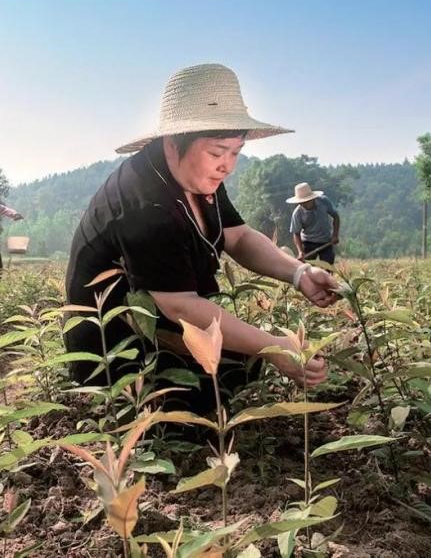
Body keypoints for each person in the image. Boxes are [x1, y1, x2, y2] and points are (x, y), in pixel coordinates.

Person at [64, 64, 340, 418]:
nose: (227, 166)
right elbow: (179, 305)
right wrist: (276, 348)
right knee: (206, 390)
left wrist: (299, 273)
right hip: (116, 346)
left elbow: (238, 237)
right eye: (217, 152)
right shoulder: (145, 203)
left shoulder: (198, 178)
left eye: (235, 152)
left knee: (238, 362)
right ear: (172, 144)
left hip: (168, 320)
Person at [287, 182, 340, 264]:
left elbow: (336, 217)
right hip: (308, 243)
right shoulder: (297, 213)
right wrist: (300, 251)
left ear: (312, 198)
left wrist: (335, 235)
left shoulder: (323, 202)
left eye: (306, 201)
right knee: (307, 269)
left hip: (326, 241)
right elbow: (296, 233)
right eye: (301, 202)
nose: (304, 204)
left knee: (328, 269)